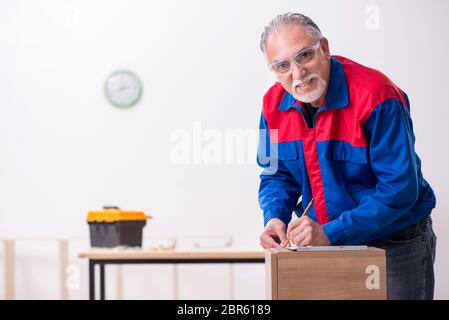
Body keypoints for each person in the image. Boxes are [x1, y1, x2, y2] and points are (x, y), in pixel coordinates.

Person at [257, 12, 437, 299]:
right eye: (282, 65)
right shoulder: (271, 106)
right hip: (322, 242)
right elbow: (275, 173)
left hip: (394, 241)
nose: (297, 73)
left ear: (324, 49)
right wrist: (274, 217)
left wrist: (333, 233)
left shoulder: (378, 96)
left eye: (304, 55)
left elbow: (400, 188)